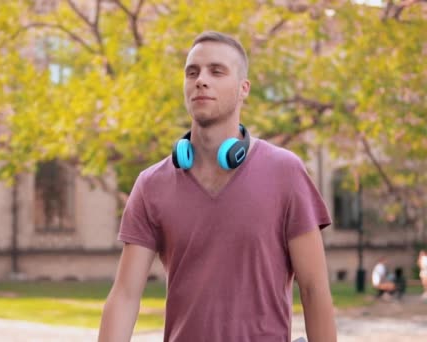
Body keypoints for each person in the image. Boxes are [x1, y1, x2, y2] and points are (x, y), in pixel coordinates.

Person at [98, 31, 336, 341]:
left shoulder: (286, 172)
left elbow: (314, 290)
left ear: (243, 89)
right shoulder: (151, 185)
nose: (201, 80)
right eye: (192, 72)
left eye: (216, 71)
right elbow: (125, 296)